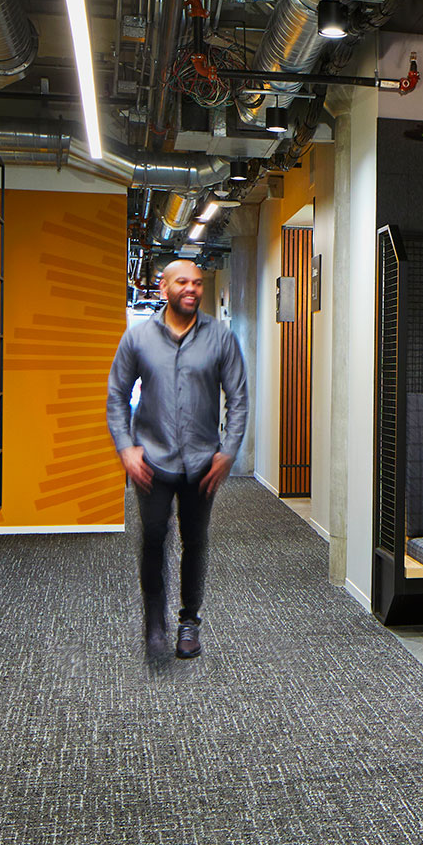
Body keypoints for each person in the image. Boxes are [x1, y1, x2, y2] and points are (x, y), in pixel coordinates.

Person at [106, 259, 247, 659]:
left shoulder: (220, 338)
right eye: (182, 282)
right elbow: (116, 395)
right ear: (163, 286)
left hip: (202, 462)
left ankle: (189, 623)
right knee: (152, 539)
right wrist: (125, 446)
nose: (192, 289)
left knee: (195, 542)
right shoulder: (138, 339)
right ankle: (154, 625)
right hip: (151, 460)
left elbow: (238, 400)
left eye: (198, 283)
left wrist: (229, 451)